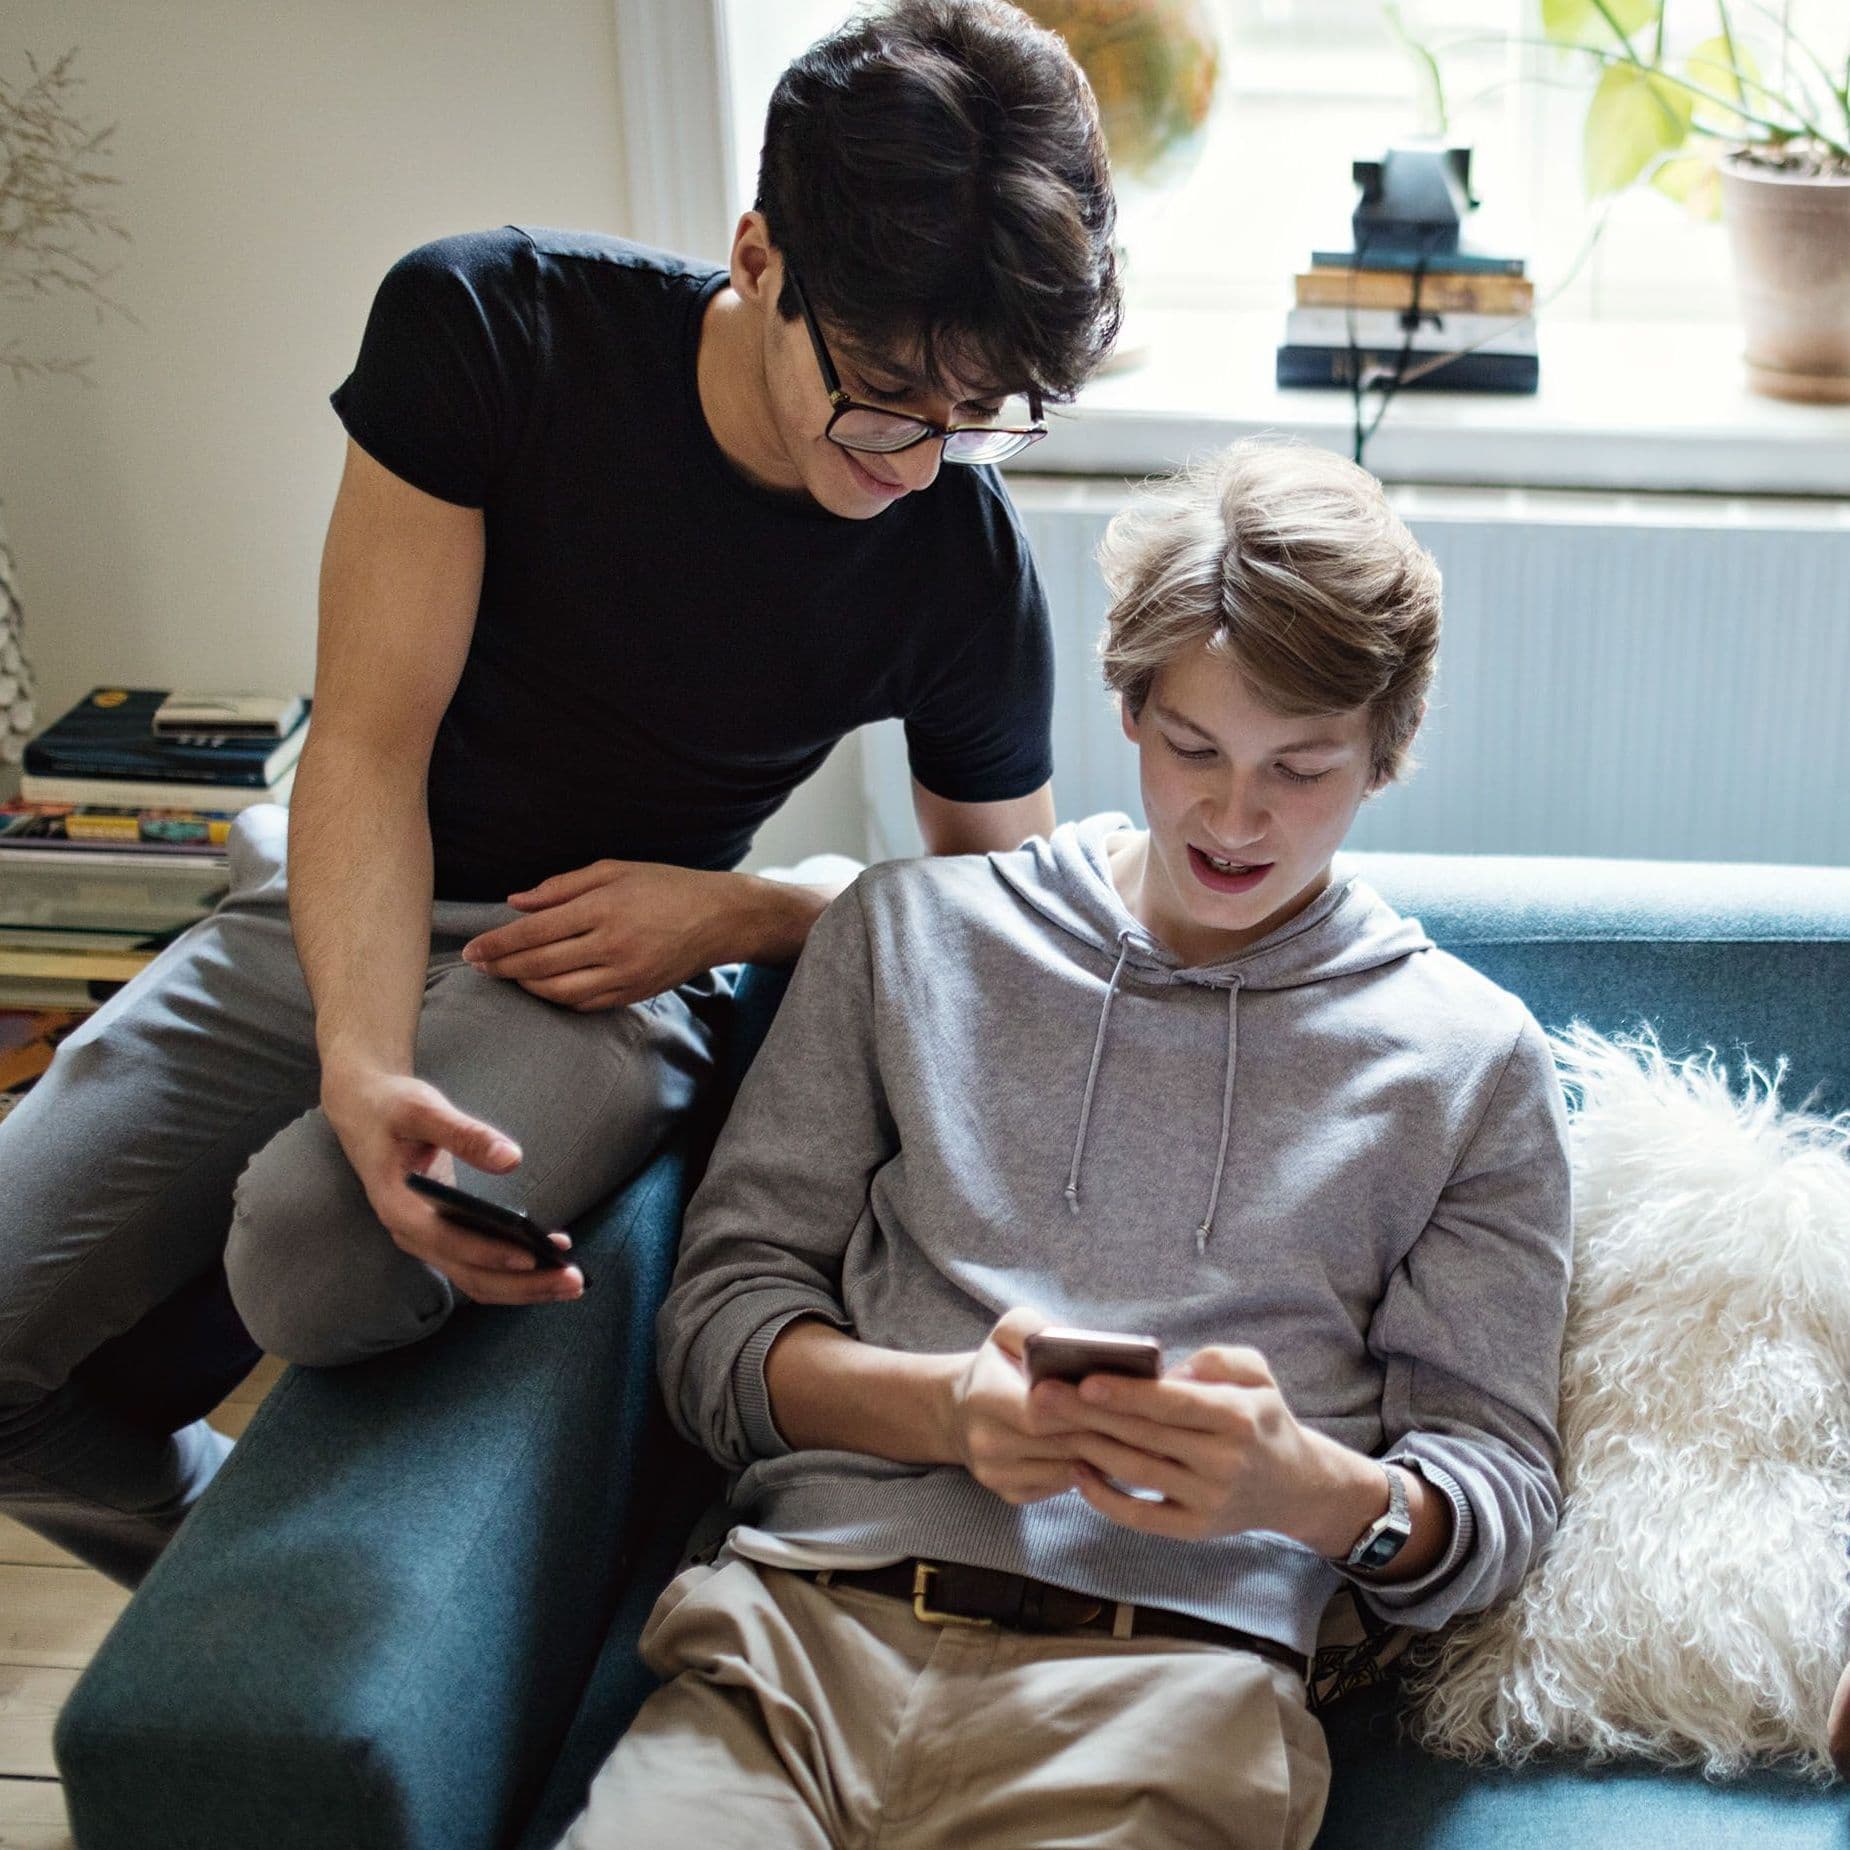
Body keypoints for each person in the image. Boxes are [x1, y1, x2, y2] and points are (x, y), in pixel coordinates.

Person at [0, 0, 1119, 1586]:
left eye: (979, 411)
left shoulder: (954, 556)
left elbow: (1008, 916)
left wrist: (752, 907)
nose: (919, 456)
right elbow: (371, 750)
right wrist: (360, 1055)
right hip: (352, 881)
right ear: (756, 256)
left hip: (609, 977)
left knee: (310, 1258)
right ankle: (217, 1604)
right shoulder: (490, 328)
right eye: (882, 390)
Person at [558, 441, 1576, 1850]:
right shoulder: (904, 933)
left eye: (1300, 767)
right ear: (1128, 709)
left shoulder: (1468, 1061)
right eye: (1193, 748)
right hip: (794, 1649)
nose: (1233, 817)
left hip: (1175, 1694)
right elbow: (716, 1338)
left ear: (1381, 752)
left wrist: (1304, 1488)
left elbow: (1496, 1497)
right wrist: (946, 1412)